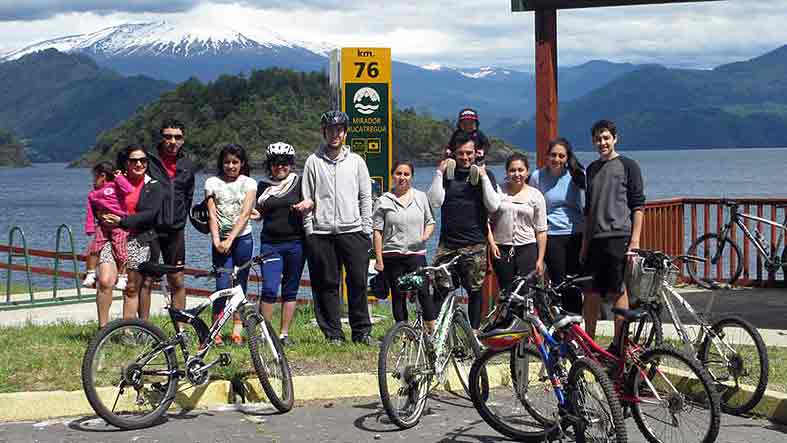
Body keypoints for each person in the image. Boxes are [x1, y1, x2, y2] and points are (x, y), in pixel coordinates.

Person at [302, 110, 374, 345]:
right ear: (324, 132)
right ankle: (333, 333)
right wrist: (310, 231)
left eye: (339, 129)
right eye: (330, 129)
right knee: (326, 284)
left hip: (353, 231)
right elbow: (307, 196)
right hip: (321, 233)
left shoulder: (356, 162)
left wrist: (367, 230)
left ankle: (361, 331)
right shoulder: (313, 161)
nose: (335, 134)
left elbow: (366, 197)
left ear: (345, 132)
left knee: (358, 282)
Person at [580, 120, 645, 345]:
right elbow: (588, 211)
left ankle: (619, 343)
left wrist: (634, 242)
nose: (602, 142)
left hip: (619, 236)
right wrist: (585, 245)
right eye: (598, 138)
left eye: (606, 137)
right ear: (593, 141)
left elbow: (638, 206)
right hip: (595, 239)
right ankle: (590, 342)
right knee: (590, 292)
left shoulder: (629, 165)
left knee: (618, 290)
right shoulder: (591, 169)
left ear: (615, 139)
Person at [428, 131, 499, 333]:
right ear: (453, 154)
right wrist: (439, 173)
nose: (465, 157)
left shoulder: (485, 175)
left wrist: (484, 177)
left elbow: (493, 206)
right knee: (440, 289)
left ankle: (474, 334)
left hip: (475, 244)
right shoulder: (447, 176)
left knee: (474, 291)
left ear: (476, 153)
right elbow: (433, 202)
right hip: (448, 244)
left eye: (469, 153)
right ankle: (436, 334)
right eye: (461, 153)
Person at [257, 142, 312, 347]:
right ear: (269, 165)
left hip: (296, 243)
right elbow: (257, 212)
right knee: (270, 289)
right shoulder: (262, 187)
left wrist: (309, 204)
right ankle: (265, 335)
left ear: (291, 164)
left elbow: (313, 200)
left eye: (285, 163)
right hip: (270, 244)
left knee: (290, 290)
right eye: (276, 163)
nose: (280, 167)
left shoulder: (299, 183)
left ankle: (284, 334)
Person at [102, 146, 164, 321]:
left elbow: (149, 214)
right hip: (112, 239)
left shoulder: (153, 186)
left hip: (140, 240)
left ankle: (130, 330)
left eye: (143, 160)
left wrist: (122, 221)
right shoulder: (115, 182)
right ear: (126, 163)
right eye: (134, 160)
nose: (139, 164)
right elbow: (101, 200)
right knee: (106, 281)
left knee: (132, 287)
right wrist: (102, 217)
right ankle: (103, 330)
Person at [372, 161, 436, 327]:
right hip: (392, 256)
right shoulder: (383, 200)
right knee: (398, 295)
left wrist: (425, 236)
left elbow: (430, 221)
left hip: (415, 255)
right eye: (398, 173)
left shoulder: (421, 197)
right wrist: (378, 260)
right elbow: (377, 232)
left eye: (406, 174)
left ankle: (431, 331)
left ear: (411, 177)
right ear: (393, 175)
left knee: (423, 292)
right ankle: (403, 332)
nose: (402, 178)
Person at [205, 144, 257, 346]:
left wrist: (230, 239)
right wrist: (217, 240)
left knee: (240, 285)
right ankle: (215, 330)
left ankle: (237, 329)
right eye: (227, 162)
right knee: (222, 285)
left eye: (235, 162)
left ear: (242, 163)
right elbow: (212, 213)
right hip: (220, 241)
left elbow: (245, 214)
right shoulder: (212, 182)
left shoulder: (249, 183)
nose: (231, 166)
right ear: (222, 163)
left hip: (243, 239)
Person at [529, 138, 586, 314]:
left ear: (567, 158)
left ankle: (575, 322)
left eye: (561, 156)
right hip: (552, 235)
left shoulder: (575, 176)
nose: (557, 159)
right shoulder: (537, 177)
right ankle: (560, 324)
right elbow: (531, 203)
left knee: (574, 282)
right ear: (547, 156)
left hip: (575, 233)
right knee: (558, 282)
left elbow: (589, 199)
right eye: (553, 155)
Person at [146, 118, 195, 314]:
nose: (172, 141)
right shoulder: (149, 162)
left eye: (177, 137)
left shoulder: (188, 164)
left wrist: (181, 219)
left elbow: (189, 196)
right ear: (161, 138)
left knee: (177, 279)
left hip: (175, 231)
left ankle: (181, 328)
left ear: (183, 139)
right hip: (150, 230)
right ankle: (143, 328)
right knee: (147, 279)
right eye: (168, 137)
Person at [483, 152, 547, 292]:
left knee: (525, 291)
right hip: (502, 249)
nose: (517, 174)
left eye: (520, 170)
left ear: (527, 172)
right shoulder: (498, 191)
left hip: (527, 248)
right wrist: (492, 244)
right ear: (507, 172)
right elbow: (486, 220)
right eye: (512, 170)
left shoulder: (536, 195)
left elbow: (541, 230)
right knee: (506, 292)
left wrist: (540, 259)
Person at [85, 161, 132, 293]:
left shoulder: (116, 186)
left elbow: (129, 190)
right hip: (102, 226)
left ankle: (123, 277)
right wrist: (90, 227)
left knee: (121, 250)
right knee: (93, 249)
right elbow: (90, 212)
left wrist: (119, 177)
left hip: (119, 225)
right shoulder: (93, 194)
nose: (93, 180)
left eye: (95, 177)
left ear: (103, 176)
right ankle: (91, 273)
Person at [444, 108, 492, 181]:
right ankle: (451, 172)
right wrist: (449, 150)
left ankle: (475, 175)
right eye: (465, 124)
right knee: (451, 159)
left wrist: (482, 151)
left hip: (476, 158)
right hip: (458, 159)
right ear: (460, 124)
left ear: (476, 124)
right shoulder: (457, 134)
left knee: (479, 163)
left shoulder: (479, 134)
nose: (468, 126)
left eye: (470, 123)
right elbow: (451, 144)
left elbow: (486, 144)